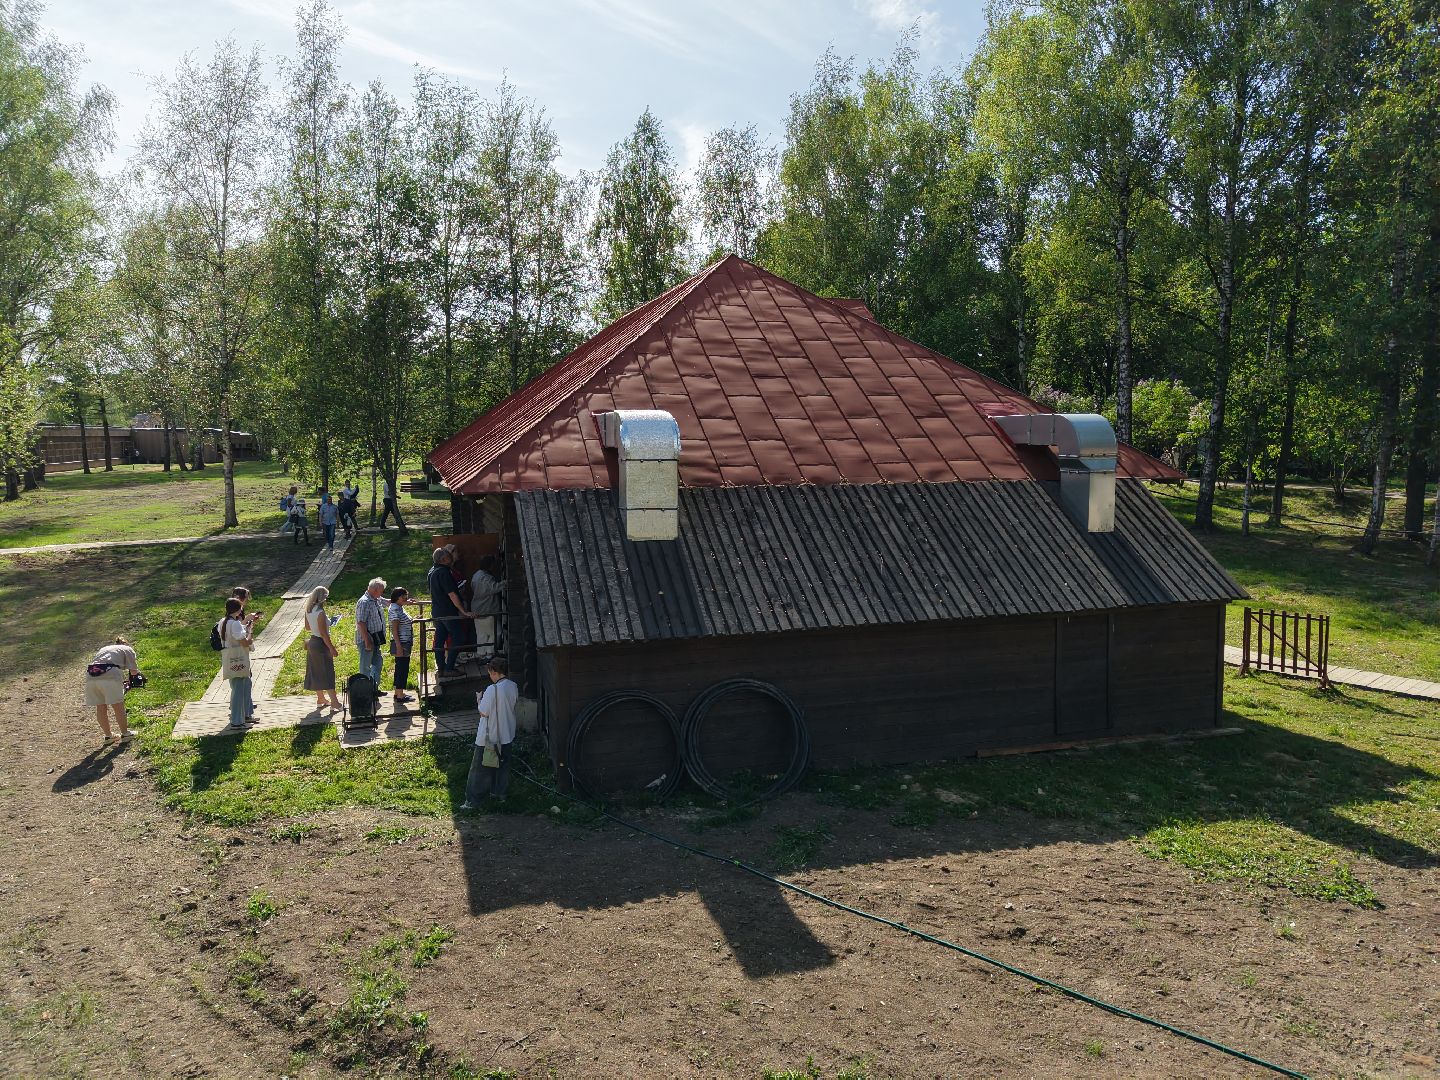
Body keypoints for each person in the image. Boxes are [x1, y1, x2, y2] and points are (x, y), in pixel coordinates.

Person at [461, 658, 518, 808]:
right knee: (503, 767)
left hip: (490, 736)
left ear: (493, 672)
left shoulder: (492, 689)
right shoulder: (513, 686)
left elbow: (484, 712)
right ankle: (499, 795)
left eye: (490, 673)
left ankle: (472, 801)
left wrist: (479, 700)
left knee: (479, 769)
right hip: (507, 734)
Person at [84, 636, 141, 743]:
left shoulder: (104, 649)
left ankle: (108, 736)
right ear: (126, 644)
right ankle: (125, 734)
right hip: (110, 674)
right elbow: (134, 672)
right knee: (118, 706)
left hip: (91, 675)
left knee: (100, 707)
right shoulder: (128, 649)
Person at [427, 549, 471, 677]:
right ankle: (449, 668)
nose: (451, 557)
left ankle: (441, 668)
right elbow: (452, 594)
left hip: (437, 611)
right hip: (447, 612)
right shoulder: (444, 572)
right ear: (443, 559)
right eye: (448, 556)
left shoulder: (432, 571)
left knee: (440, 640)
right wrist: (464, 611)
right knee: (459, 638)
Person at [218, 598, 255, 730]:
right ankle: (236, 721)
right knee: (239, 690)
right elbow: (244, 642)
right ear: (238, 609)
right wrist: (250, 632)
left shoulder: (222, 621)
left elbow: (230, 637)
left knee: (238, 687)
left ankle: (242, 717)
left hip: (229, 657)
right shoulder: (235, 623)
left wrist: (245, 628)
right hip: (238, 657)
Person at [303, 586, 342, 710]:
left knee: (316, 671)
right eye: (326, 597)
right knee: (327, 672)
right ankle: (334, 702)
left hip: (312, 642)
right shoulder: (320, 612)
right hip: (321, 644)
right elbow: (324, 634)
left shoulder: (308, 610)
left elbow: (308, 628)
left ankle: (320, 698)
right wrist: (332, 648)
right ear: (322, 598)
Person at [355, 577, 388, 693]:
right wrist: (367, 641)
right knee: (365, 666)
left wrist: (406, 601)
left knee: (377, 663)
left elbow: (388, 602)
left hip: (376, 639)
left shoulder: (376, 599)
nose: (382, 593)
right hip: (366, 641)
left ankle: (374, 689)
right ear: (374, 590)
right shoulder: (364, 602)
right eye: (381, 591)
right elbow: (361, 623)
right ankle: (365, 692)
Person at [470, 555, 503, 657]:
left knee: (481, 635)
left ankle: (481, 655)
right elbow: (494, 588)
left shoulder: (476, 575)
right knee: (495, 633)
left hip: (477, 608)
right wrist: (506, 583)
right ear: (490, 565)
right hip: (487, 609)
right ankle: (489, 655)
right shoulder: (486, 578)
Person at [388, 587, 415, 704]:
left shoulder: (399, 607)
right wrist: (399, 646)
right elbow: (394, 630)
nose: (406, 599)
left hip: (404, 642)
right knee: (402, 668)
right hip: (401, 643)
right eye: (404, 597)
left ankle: (398, 692)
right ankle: (400, 695)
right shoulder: (395, 610)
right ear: (398, 597)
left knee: (401, 666)